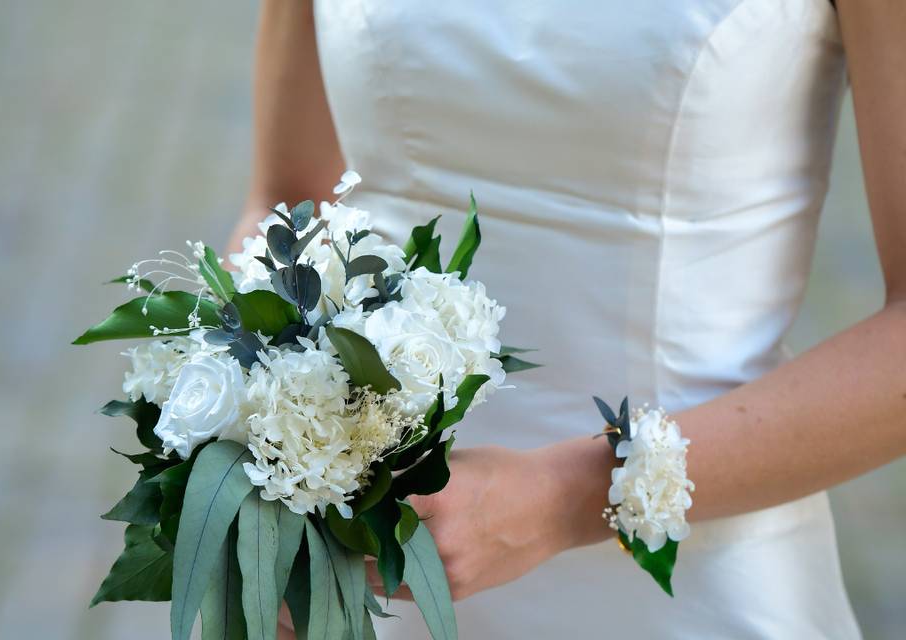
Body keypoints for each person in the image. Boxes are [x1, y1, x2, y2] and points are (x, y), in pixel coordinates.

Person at [228, 2, 905, 637]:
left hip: (690, 582)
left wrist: (562, 497)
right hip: (362, 569)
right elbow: (288, 205)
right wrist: (244, 480)